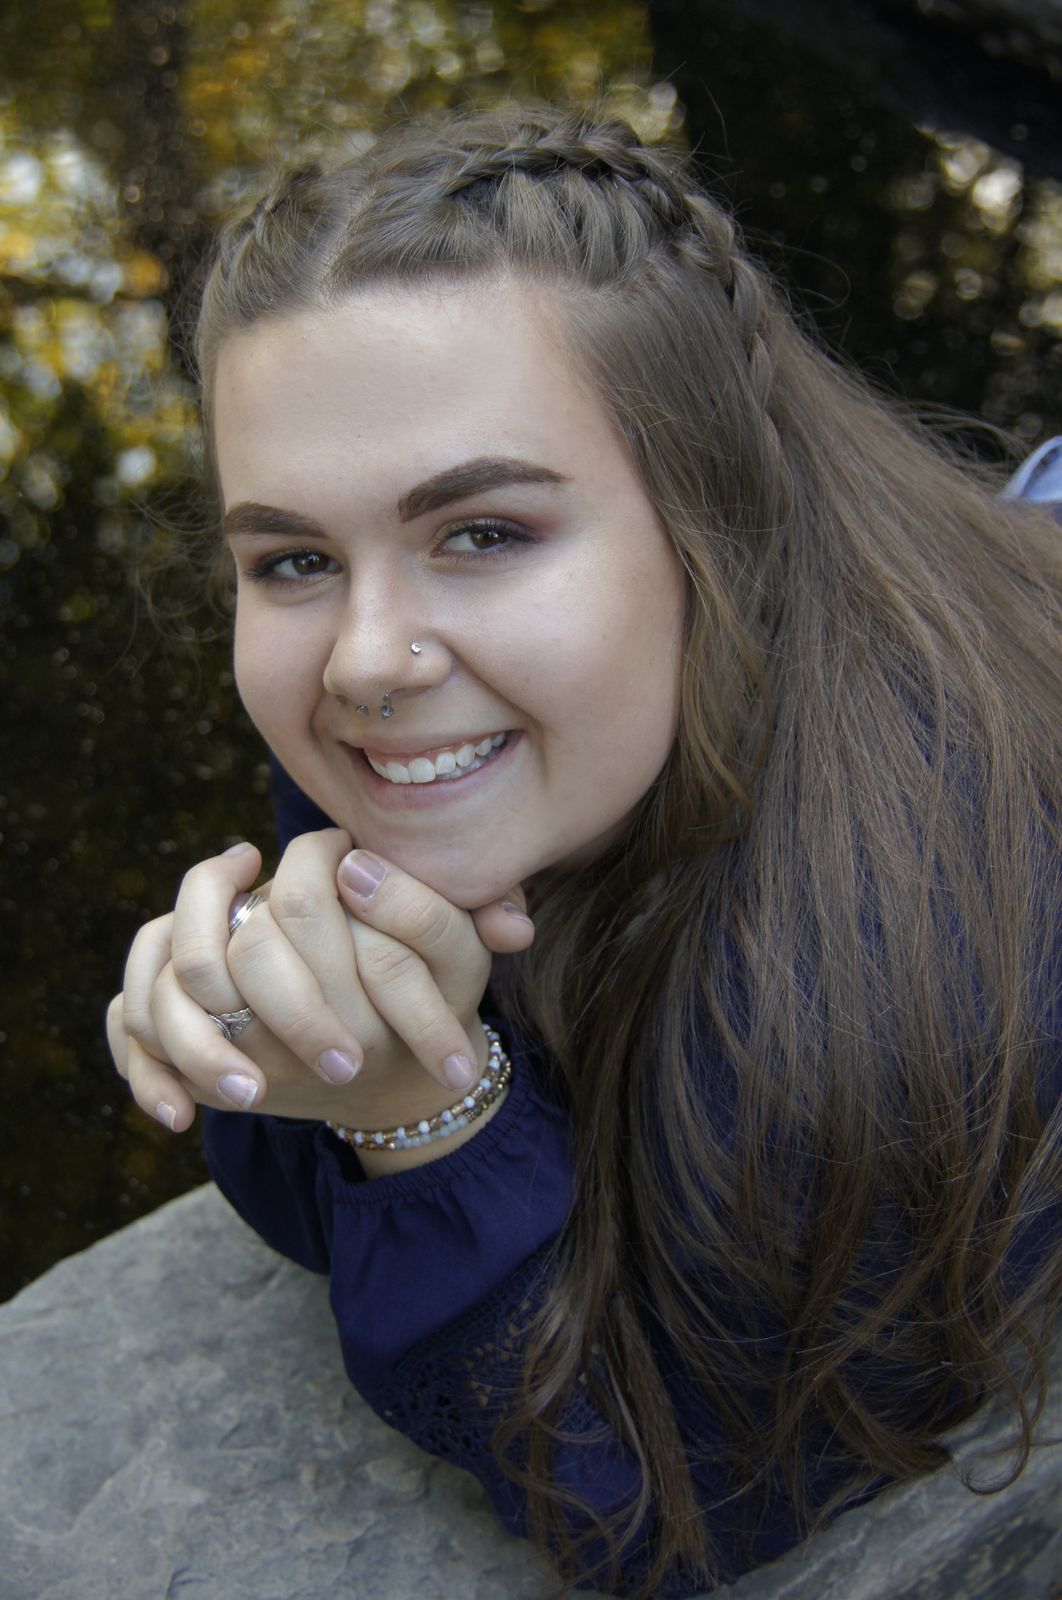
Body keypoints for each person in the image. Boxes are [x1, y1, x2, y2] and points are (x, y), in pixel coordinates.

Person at [106, 101, 1061, 1599]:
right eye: (292, 558)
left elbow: (684, 1510)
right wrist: (274, 1019)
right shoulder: (425, 714)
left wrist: (427, 1116)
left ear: (718, 517)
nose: (363, 658)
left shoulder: (902, 953)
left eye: (483, 532)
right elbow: (310, 1196)